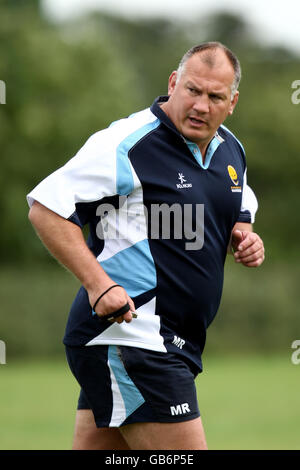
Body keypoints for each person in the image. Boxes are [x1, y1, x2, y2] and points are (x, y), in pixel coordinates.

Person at [27, 41, 265, 450]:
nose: (201, 105)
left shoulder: (231, 149)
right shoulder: (126, 144)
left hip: (172, 342)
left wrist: (244, 235)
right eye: (192, 90)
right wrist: (98, 285)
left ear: (233, 101)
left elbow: (237, 201)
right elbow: (47, 208)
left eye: (215, 96)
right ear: (173, 83)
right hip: (132, 338)